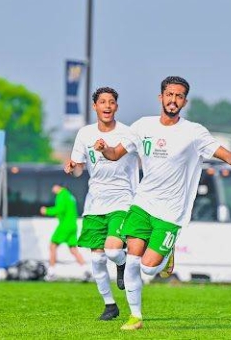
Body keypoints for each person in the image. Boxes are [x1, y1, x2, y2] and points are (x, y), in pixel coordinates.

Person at [96, 76, 231, 330]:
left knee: (148, 269)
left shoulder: (193, 132)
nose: (173, 100)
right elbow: (114, 153)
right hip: (143, 204)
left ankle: (167, 255)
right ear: (161, 98)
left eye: (179, 96)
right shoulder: (143, 126)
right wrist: (103, 149)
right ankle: (136, 317)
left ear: (184, 101)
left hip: (171, 213)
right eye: (169, 95)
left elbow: (219, 151)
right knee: (132, 261)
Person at [64, 87, 139, 321]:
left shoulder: (128, 133)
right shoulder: (84, 134)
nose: (107, 106)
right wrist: (72, 167)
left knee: (113, 249)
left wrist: (104, 148)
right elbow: (78, 169)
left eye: (112, 102)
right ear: (94, 106)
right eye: (102, 102)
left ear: (116, 106)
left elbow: (115, 154)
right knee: (96, 259)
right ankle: (110, 306)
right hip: (94, 203)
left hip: (122, 200)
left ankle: (122, 263)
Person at [39, 184, 90, 281]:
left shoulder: (61, 195)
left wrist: (46, 211)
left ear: (58, 186)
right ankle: (86, 270)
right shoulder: (70, 196)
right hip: (73, 225)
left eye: (53, 187)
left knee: (52, 246)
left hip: (65, 225)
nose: (53, 190)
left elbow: (60, 209)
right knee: (73, 249)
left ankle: (51, 273)